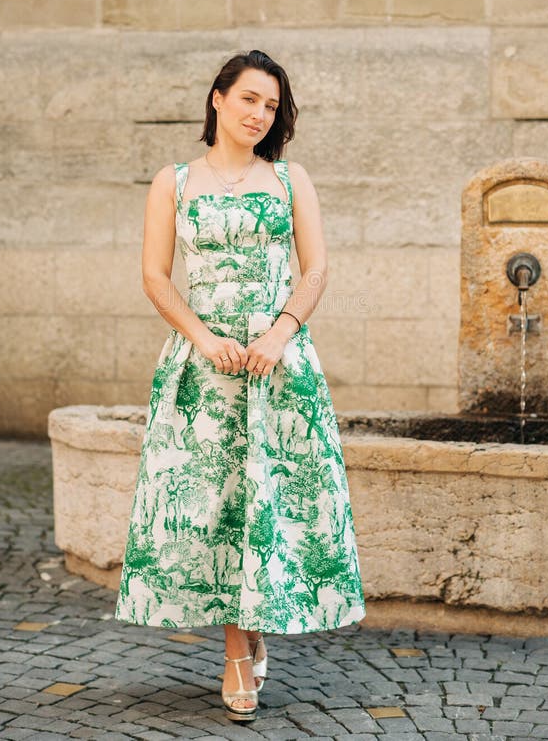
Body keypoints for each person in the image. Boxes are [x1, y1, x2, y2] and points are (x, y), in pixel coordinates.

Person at [114, 49, 366, 722]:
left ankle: (244, 639)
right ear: (218, 99)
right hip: (202, 367)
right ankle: (235, 647)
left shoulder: (289, 180)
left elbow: (314, 271)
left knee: (268, 505)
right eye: (249, 98)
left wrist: (279, 332)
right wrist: (202, 337)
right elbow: (154, 276)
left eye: (271, 105)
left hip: (278, 367)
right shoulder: (173, 181)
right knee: (216, 509)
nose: (260, 113)